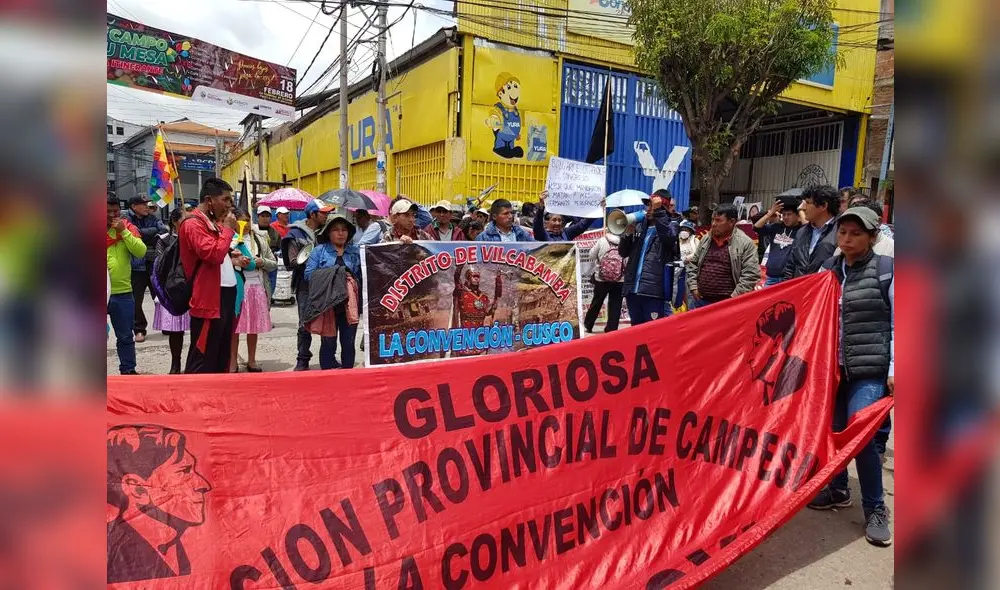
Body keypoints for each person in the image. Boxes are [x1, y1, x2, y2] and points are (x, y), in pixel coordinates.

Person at [807, 206, 894, 548]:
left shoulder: (886, 271)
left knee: (860, 437)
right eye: (843, 233)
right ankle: (839, 488)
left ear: (873, 237)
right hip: (834, 371)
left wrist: (894, 369)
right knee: (832, 433)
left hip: (870, 370)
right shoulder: (828, 270)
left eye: (856, 233)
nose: (846, 239)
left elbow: (900, 322)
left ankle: (875, 507)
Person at [107, 425, 211, 583]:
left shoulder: (177, 548)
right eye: (184, 471)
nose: (203, 485)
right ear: (139, 489)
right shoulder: (106, 556)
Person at [179, 179, 248, 374]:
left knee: (221, 356)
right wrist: (227, 230)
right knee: (203, 358)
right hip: (209, 299)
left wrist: (231, 257)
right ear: (209, 200)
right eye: (225, 199)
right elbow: (213, 254)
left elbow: (218, 254)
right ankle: (197, 401)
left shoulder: (211, 223)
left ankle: (217, 399)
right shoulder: (193, 224)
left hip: (224, 296)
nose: (229, 205)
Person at [281, 198, 334, 371]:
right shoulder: (294, 234)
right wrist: (312, 259)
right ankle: (302, 359)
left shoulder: (327, 232)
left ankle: (328, 358)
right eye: (323, 213)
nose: (327, 216)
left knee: (328, 322)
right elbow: (292, 261)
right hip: (305, 284)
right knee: (305, 323)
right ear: (313, 214)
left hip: (325, 283)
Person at [304, 215, 361, 369]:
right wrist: (336, 273)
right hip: (327, 306)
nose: (341, 233)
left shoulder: (356, 252)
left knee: (349, 343)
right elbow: (309, 275)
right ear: (328, 232)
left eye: (344, 230)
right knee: (328, 343)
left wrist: (352, 279)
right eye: (336, 230)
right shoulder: (319, 251)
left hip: (349, 305)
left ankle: (348, 375)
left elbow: (364, 276)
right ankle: (326, 377)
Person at [618, 189, 678, 324]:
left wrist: (658, 213)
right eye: (648, 205)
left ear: (662, 208)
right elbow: (623, 252)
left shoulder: (672, 225)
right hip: (633, 290)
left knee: (653, 332)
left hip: (653, 292)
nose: (648, 209)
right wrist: (627, 234)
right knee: (636, 331)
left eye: (653, 205)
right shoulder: (640, 227)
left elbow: (669, 237)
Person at [686, 204, 761, 307]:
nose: (713, 224)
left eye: (718, 220)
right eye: (712, 220)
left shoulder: (745, 243)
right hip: (701, 301)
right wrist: (693, 287)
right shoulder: (706, 239)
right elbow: (693, 264)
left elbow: (751, 274)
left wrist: (733, 298)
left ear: (732, 222)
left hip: (729, 306)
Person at [231, 209, 276, 372]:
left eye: (249, 220)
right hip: (238, 286)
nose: (247, 224)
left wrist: (261, 261)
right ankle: (232, 362)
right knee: (234, 327)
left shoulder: (260, 239)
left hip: (257, 285)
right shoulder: (230, 239)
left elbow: (273, 263)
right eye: (243, 221)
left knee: (253, 327)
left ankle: (252, 360)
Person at [106, 195, 146, 375]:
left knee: (125, 337)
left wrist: (124, 232)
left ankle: (128, 371)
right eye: (108, 212)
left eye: (116, 211)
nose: (113, 215)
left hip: (122, 293)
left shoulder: (127, 228)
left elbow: (140, 251)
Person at [152, 208, 190, 374]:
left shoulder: (193, 238)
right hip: (172, 288)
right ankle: (176, 364)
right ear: (175, 221)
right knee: (175, 331)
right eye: (185, 220)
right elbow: (160, 263)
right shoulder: (164, 240)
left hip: (191, 288)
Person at [125, 196, 166, 342]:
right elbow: (131, 234)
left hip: (154, 263)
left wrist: (142, 233)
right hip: (137, 265)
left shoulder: (153, 217)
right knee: (136, 300)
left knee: (160, 296)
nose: (146, 206)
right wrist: (150, 233)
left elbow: (163, 230)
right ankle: (139, 329)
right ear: (134, 206)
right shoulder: (126, 218)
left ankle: (165, 324)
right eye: (143, 204)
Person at [783, 184, 840, 280]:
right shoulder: (801, 232)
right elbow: (791, 266)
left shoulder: (840, 232)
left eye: (808, 203)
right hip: (800, 290)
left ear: (823, 206)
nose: (803, 208)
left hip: (823, 292)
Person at [755, 199, 803, 286]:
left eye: (789, 214)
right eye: (784, 214)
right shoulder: (777, 227)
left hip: (789, 278)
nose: (786, 217)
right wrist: (770, 213)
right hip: (771, 277)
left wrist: (801, 210)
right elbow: (757, 227)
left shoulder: (802, 231)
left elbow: (808, 226)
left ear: (797, 216)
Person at [583, 231, 624, 333]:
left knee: (596, 302)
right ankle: (612, 329)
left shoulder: (602, 240)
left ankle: (589, 325)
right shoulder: (625, 241)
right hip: (619, 279)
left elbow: (591, 255)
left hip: (601, 279)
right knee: (616, 304)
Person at [532, 191, 597, 241]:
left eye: (559, 220)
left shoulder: (566, 233)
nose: (557, 223)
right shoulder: (543, 235)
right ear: (546, 222)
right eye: (554, 220)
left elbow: (583, 224)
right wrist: (541, 206)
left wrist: (597, 208)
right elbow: (537, 225)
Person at [256, 205, 281, 296]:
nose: (265, 218)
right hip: (256, 267)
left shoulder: (275, 233)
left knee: (269, 293)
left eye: (267, 216)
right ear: (257, 216)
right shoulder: (252, 231)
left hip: (270, 267)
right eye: (263, 216)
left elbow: (279, 248)